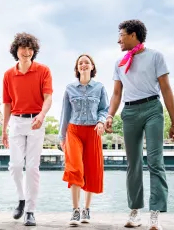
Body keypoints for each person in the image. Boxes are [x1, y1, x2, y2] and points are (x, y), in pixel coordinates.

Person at [104, 20, 174, 230]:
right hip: (129, 113)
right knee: (133, 164)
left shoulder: (156, 56)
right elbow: (117, 94)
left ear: (133, 35)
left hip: (152, 110)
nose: (118, 39)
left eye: (121, 35)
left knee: (155, 161)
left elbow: (166, 89)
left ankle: (155, 213)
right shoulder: (119, 62)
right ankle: (135, 211)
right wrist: (109, 116)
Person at [1, 32, 53, 226]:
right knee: (15, 166)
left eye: (30, 48)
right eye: (23, 48)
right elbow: (6, 104)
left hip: (36, 122)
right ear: (16, 50)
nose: (27, 52)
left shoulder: (43, 70)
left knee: (32, 168)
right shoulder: (8, 74)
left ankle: (30, 210)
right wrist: (4, 128)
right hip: (16, 121)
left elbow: (48, 98)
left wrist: (41, 115)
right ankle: (21, 199)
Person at [58, 54, 109, 226]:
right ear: (77, 68)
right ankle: (75, 210)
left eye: (87, 62)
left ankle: (86, 209)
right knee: (75, 169)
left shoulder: (100, 88)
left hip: (93, 131)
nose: (83, 65)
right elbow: (64, 113)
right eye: (80, 63)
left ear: (92, 66)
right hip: (74, 130)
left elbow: (104, 109)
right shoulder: (70, 88)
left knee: (91, 170)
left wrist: (101, 121)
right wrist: (61, 136)